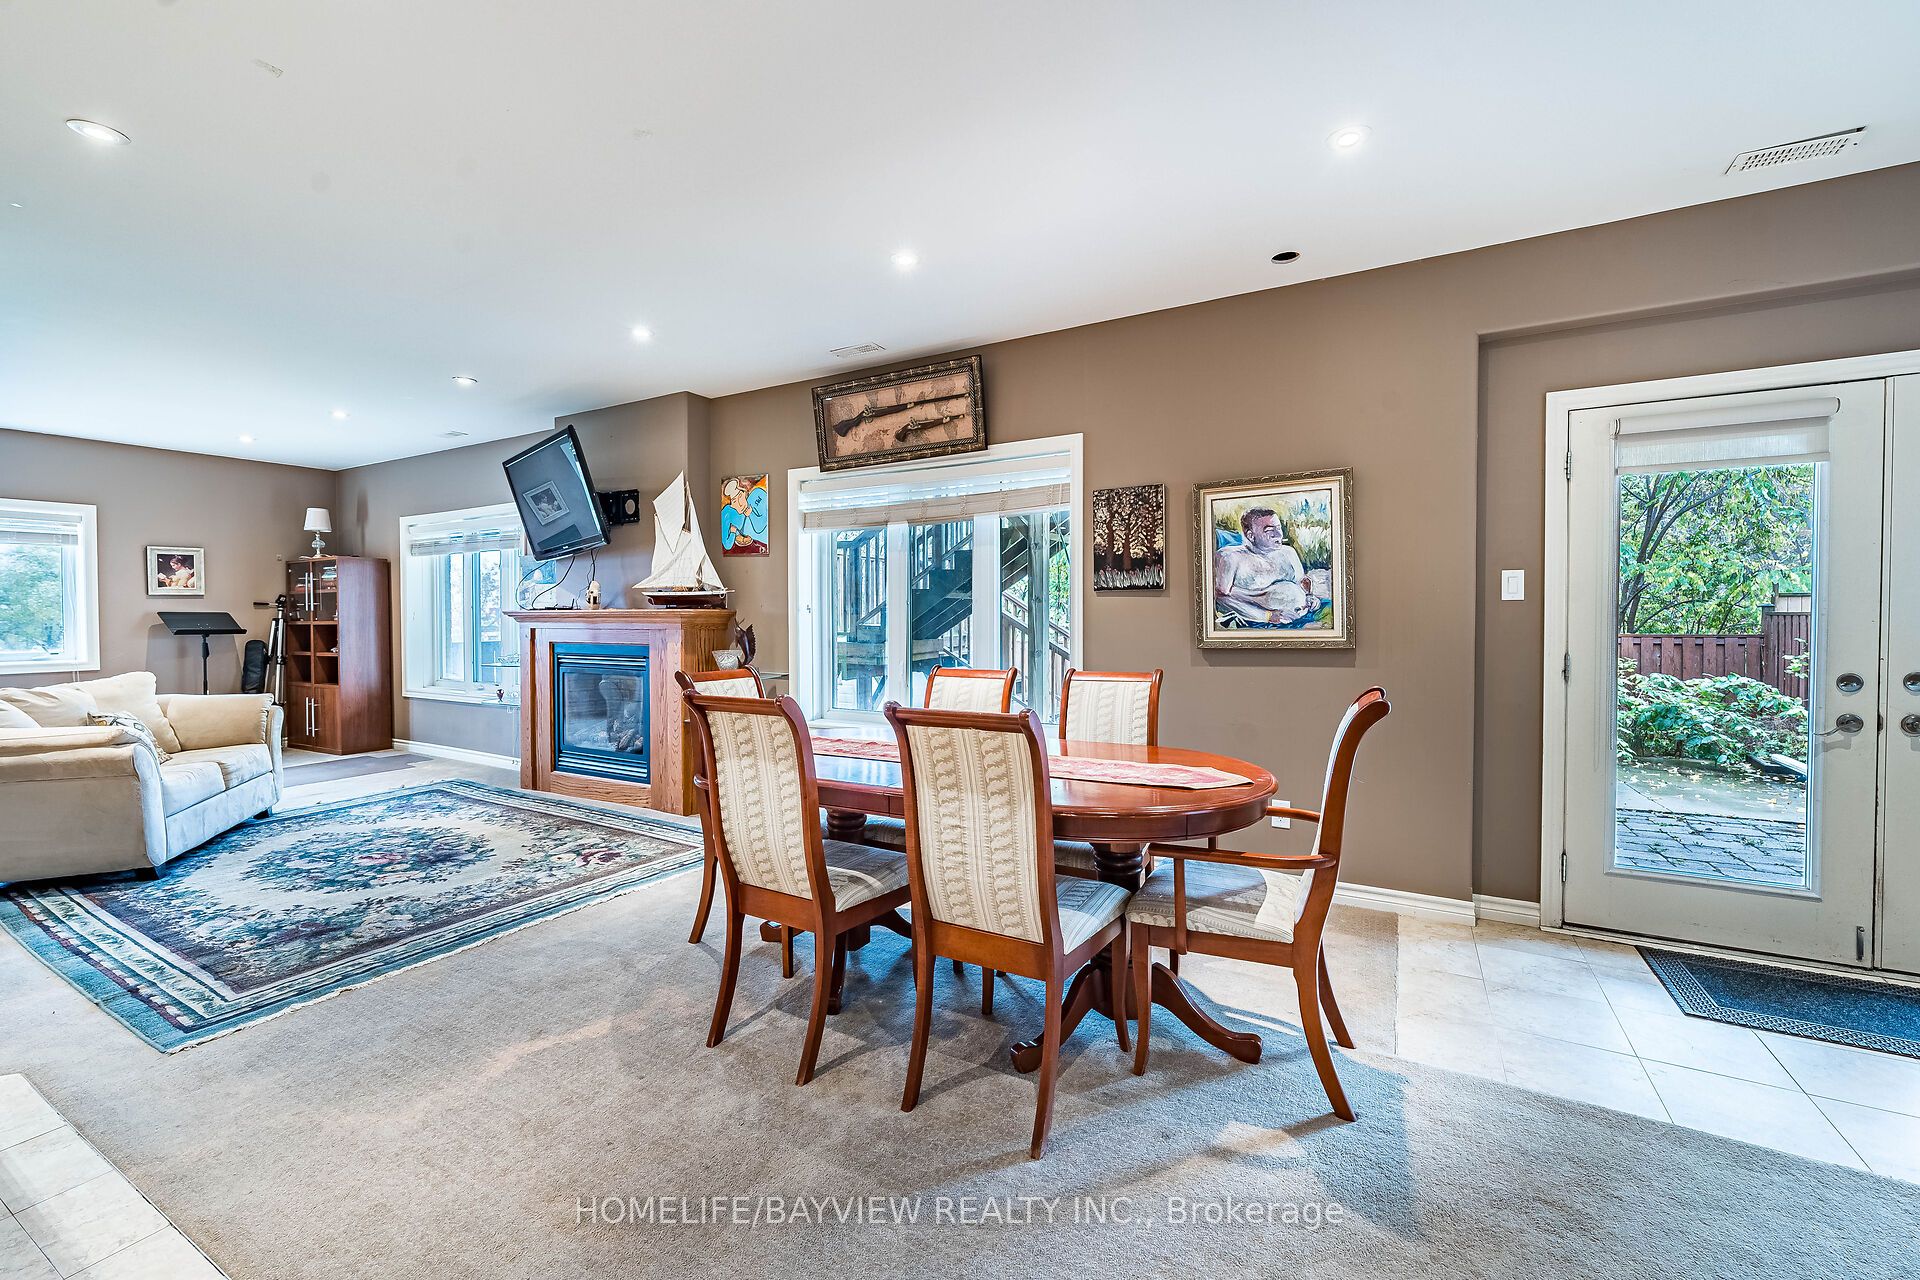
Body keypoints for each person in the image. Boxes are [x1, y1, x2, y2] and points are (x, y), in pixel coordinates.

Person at [1213, 507, 1318, 625]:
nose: (1278, 535)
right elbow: (1221, 598)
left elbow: (1302, 583)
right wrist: (1267, 616)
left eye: (1278, 528)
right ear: (1251, 535)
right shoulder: (1229, 557)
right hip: (1258, 623)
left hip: (1300, 618)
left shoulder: (1289, 552)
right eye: (1269, 530)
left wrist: (1310, 598)